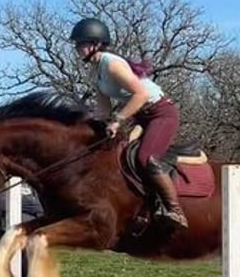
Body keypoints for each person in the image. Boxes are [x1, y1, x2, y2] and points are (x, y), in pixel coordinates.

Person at [69, 17, 188, 229]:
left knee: (146, 158)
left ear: (96, 44)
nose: (78, 48)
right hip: (141, 117)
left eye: (81, 44)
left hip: (160, 113)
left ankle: (175, 210)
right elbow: (103, 108)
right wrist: (88, 127)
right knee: (120, 157)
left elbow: (141, 94)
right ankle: (145, 207)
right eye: (77, 45)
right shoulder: (94, 72)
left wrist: (118, 120)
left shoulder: (112, 64)